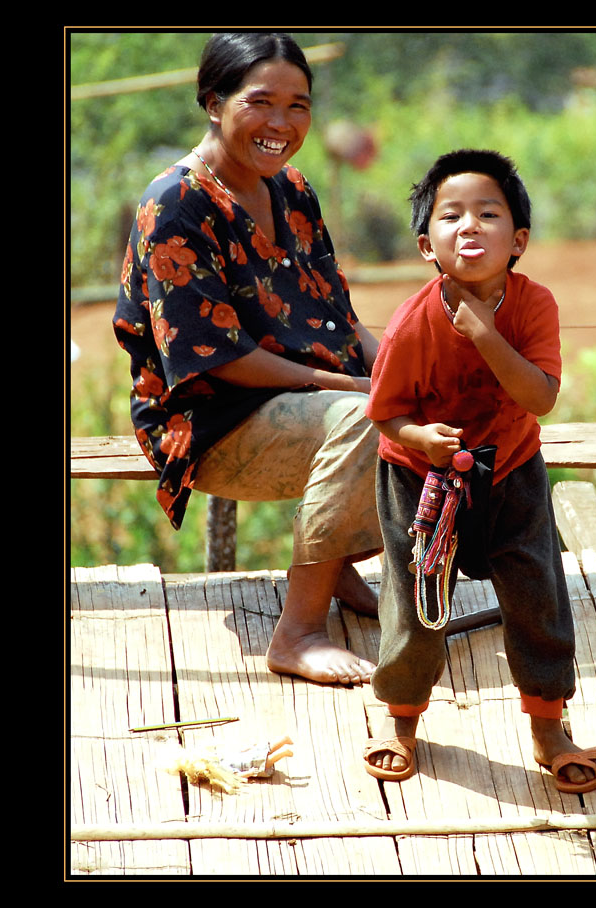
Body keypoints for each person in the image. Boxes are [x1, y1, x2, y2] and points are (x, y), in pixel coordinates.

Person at [113, 33, 382, 686]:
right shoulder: (176, 203)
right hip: (208, 420)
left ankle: (336, 551)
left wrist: (405, 364)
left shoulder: (292, 189)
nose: (282, 124)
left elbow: (340, 320)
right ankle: (298, 633)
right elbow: (218, 359)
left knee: (437, 396)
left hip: (305, 400)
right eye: (261, 103)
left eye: (299, 106)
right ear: (213, 101)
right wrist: (350, 385)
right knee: (369, 417)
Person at [360, 149, 596, 792]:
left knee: (536, 594)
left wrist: (487, 335)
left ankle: (549, 727)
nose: (469, 226)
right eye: (452, 216)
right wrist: (423, 440)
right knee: (418, 603)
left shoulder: (534, 306)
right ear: (426, 244)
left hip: (512, 471)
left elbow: (540, 398)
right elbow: (384, 415)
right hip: (421, 481)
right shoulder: (412, 322)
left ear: (518, 239)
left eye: (488, 213)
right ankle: (402, 720)